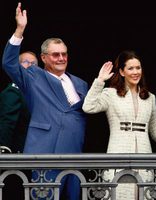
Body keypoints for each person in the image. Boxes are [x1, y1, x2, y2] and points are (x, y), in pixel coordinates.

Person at [2, 3, 88, 200]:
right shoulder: (33, 76)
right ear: (43, 57)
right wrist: (19, 30)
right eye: (55, 54)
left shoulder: (81, 84)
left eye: (64, 54)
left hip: (75, 151)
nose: (61, 58)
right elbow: (8, 63)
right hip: (45, 148)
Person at [82, 50, 156, 200]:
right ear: (121, 71)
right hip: (118, 151)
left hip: (144, 154)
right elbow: (88, 107)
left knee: (143, 194)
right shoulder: (110, 93)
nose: (135, 72)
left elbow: (155, 131)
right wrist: (100, 80)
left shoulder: (150, 97)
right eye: (131, 68)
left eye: (138, 68)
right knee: (119, 194)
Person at [0, 51, 38, 153]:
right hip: (17, 155)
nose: (30, 65)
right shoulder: (14, 90)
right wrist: (4, 147)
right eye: (26, 62)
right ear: (17, 66)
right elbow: (7, 121)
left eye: (33, 63)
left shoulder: (36, 91)